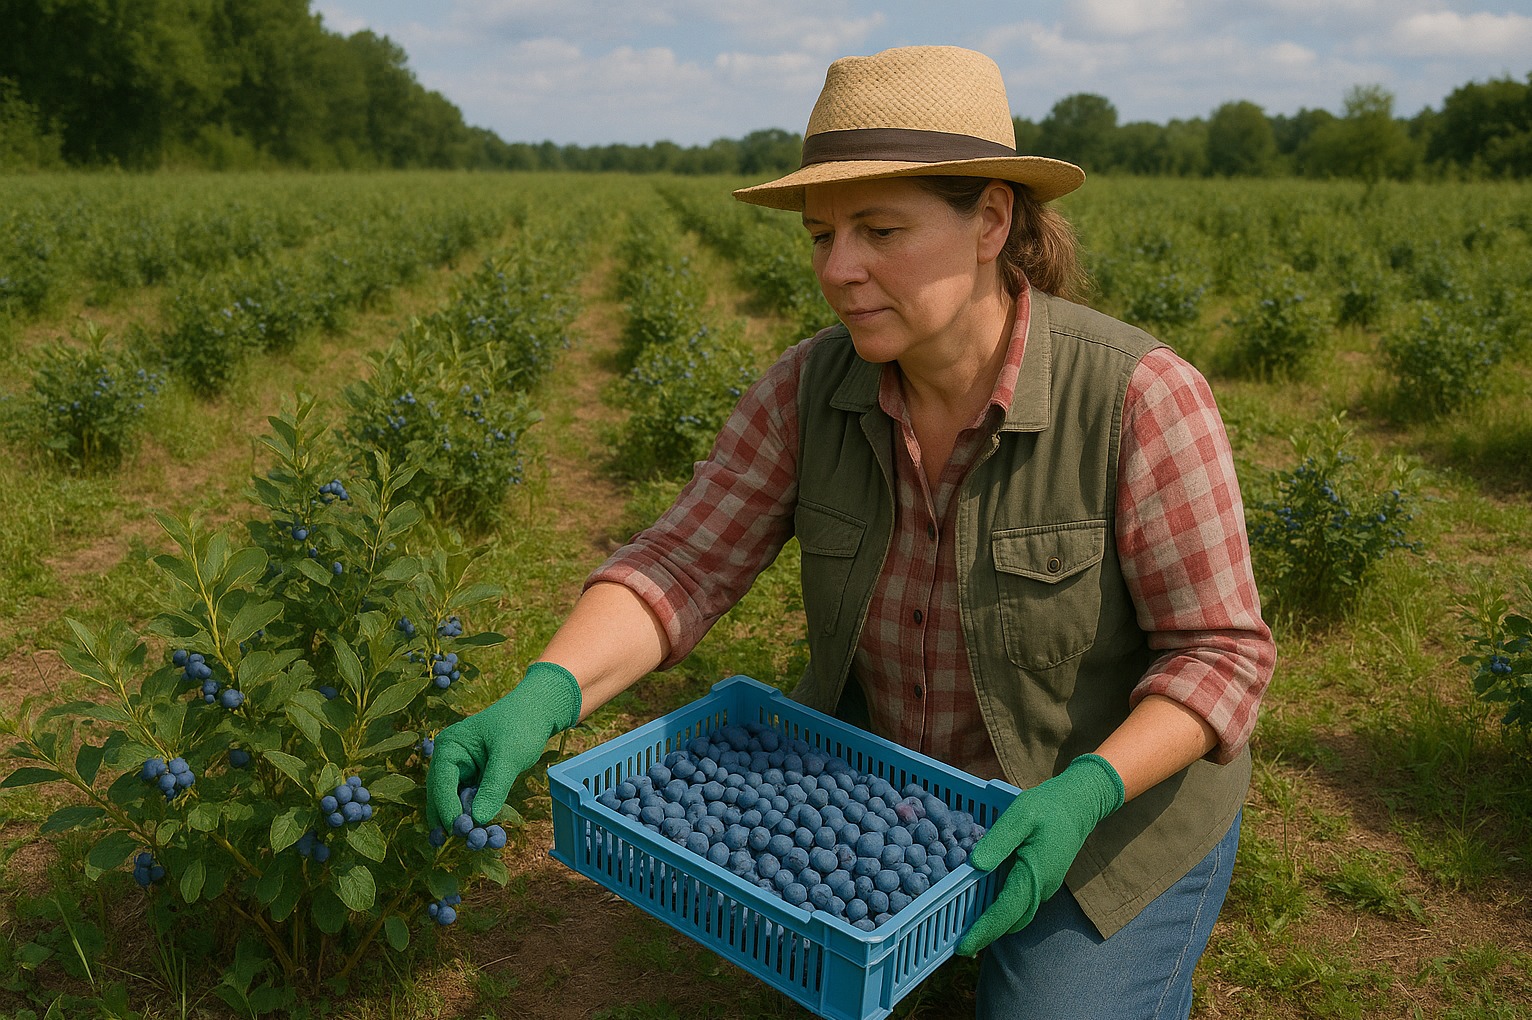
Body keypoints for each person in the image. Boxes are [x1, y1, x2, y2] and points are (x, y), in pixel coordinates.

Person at [427, 44, 1274, 1020]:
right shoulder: (806, 388)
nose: (838, 270)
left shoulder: (1136, 398)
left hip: (1104, 802)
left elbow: (1220, 657)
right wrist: (544, 693)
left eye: (878, 230)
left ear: (989, 219)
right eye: (821, 235)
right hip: (884, 793)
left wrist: (1084, 791)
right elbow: (681, 562)